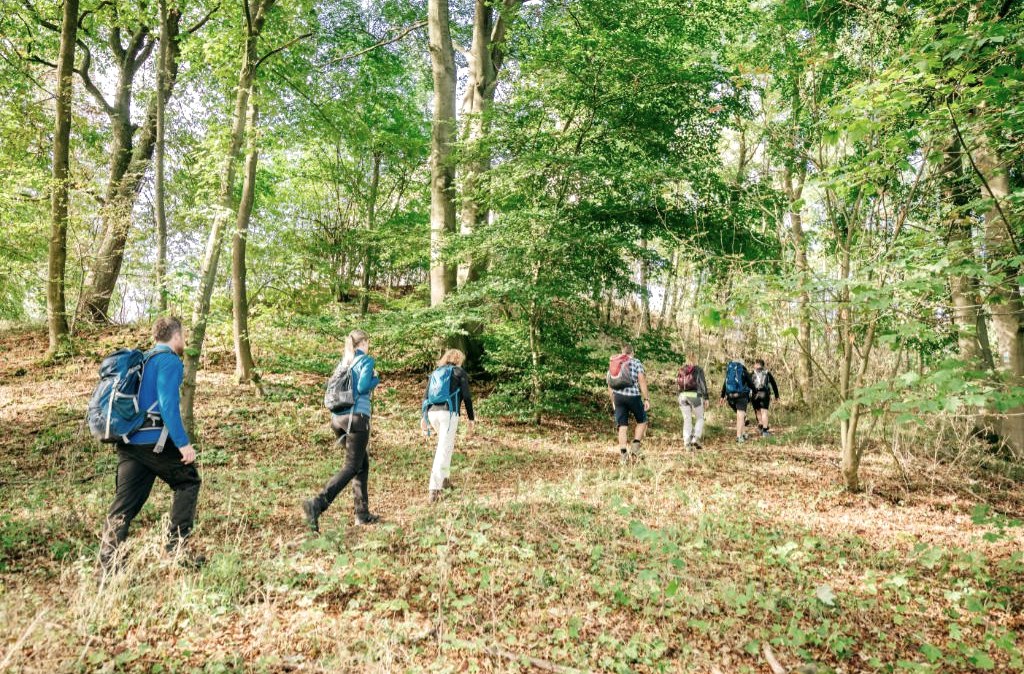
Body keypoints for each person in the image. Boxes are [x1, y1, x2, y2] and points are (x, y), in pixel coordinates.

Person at [99, 316, 202, 571]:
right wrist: (183, 443)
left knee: (123, 507)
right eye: (183, 335)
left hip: (129, 442)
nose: (184, 340)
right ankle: (177, 551)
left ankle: (108, 568)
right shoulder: (169, 361)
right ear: (175, 336)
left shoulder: (144, 360)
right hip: (152, 442)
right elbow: (168, 406)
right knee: (188, 481)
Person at [303, 329, 381, 532]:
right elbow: (363, 387)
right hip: (356, 419)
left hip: (338, 419)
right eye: (367, 342)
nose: (368, 346)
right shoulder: (365, 361)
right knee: (352, 466)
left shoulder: (345, 362)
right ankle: (317, 504)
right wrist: (376, 379)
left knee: (361, 465)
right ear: (363, 343)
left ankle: (362, 514)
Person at [420, 349, 475, 503]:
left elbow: (425, 396)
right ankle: (434, 489)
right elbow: (467, 396)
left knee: (446, 447)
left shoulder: (436, 372)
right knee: (443, 450)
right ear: (459, 359)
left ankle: (445, 481)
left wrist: (423, 417)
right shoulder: (459, 372)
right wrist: (471, 418)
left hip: (432, 413)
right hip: (448, 413)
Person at [607, 344, 650, 463]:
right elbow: (641, 380)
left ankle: (623, 455)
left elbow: (610, 383)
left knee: (622, 426)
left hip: (618, 397)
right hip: (633, 396)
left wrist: (613, 400)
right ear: (632, 353)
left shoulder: (614, 362)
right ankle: (635, 447)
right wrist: (646, 399)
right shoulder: (636, 362)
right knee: (642, 421)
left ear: (622, 351)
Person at [676, 352, 709, 449]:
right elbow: (702, 384)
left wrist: (679, 396)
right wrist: (706, 398)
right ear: (695, 359)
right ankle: (695, 438)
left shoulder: (681, 370)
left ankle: (687, 442)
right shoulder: (698, 369)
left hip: (682, 397)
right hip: (695, 396)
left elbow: (677, 385)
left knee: (687, 419)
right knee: (700, 418)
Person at [720, 358, 755, 443]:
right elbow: (751, 384)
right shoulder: (744, 371)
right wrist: (755, 391)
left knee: (741, 416)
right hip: (741, 397)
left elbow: (725, 384)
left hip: (730, 397)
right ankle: (739, 436)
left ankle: (743, 433)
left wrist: (722, 396)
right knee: (740, 417)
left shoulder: (730, 371)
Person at [750, 358, 780, 437]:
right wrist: (777, 395)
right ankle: (765, 431)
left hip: (754, 395)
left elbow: (747, 385)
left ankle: (760, 426)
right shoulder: (767, 373)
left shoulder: (752, 373)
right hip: (764, 394)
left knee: (758, 411)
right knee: (764, 412)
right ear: (763, 365)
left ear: (756, 364)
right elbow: (774, 384)